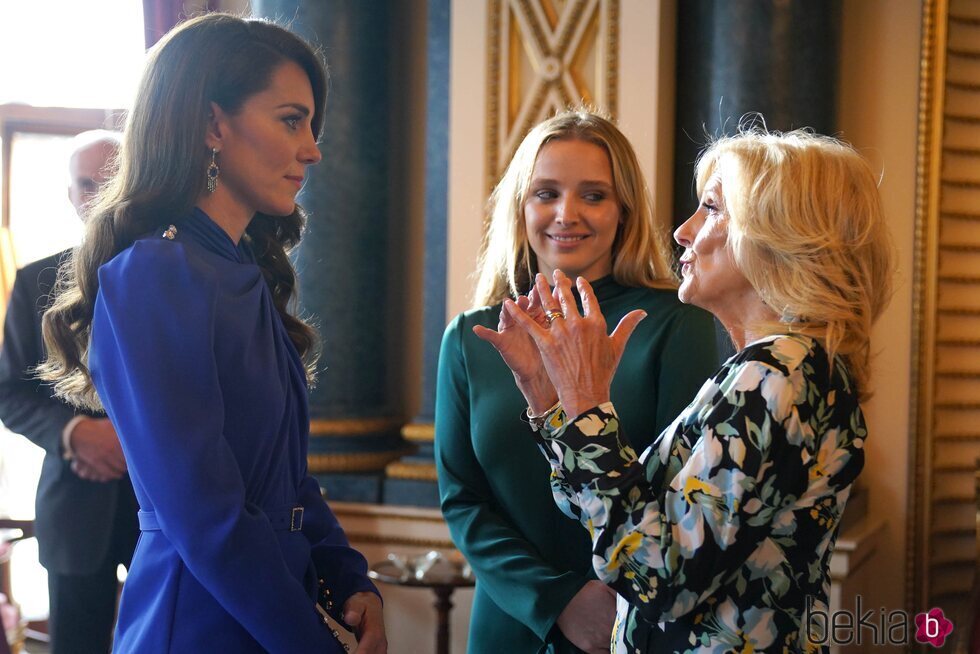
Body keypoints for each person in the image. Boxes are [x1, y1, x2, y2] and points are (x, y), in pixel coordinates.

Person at [37, 14, 386, 653]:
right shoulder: (155, 275)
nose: (312, 148)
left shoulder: (241, 271)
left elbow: (287, 481)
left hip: (267, 607)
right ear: (212, 124)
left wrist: (347, 575)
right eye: (290, 120)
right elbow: (206, 515)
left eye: (312, 125)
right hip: (199, 617)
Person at [479, 128, 895, 652]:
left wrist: (586, 401)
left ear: (778, 233)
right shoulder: (786, 370)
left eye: (712, 208)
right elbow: (609, 510)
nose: (682, 231)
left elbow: (659, 578)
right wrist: (552, 398)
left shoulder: (774, 376)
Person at [435, 110, 719, 654]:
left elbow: (682, 493)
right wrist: (556, 599)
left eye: (593, 195)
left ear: (624, 211)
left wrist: (607, 599)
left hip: (633, 622)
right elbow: (462, 501)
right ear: (521, 207)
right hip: (509, 627)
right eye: (546, 193)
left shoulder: (674, 322)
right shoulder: (469, 336)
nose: (567, 214)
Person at [0, 130, 139, 654]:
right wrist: (76, 434)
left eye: (108, 179)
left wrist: (131, 440)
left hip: (165, 506)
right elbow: (8, 391)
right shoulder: (36, 281)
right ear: (71, 195)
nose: (97, 195)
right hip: (75, 510)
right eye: (85, 184)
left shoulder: (175, 275)